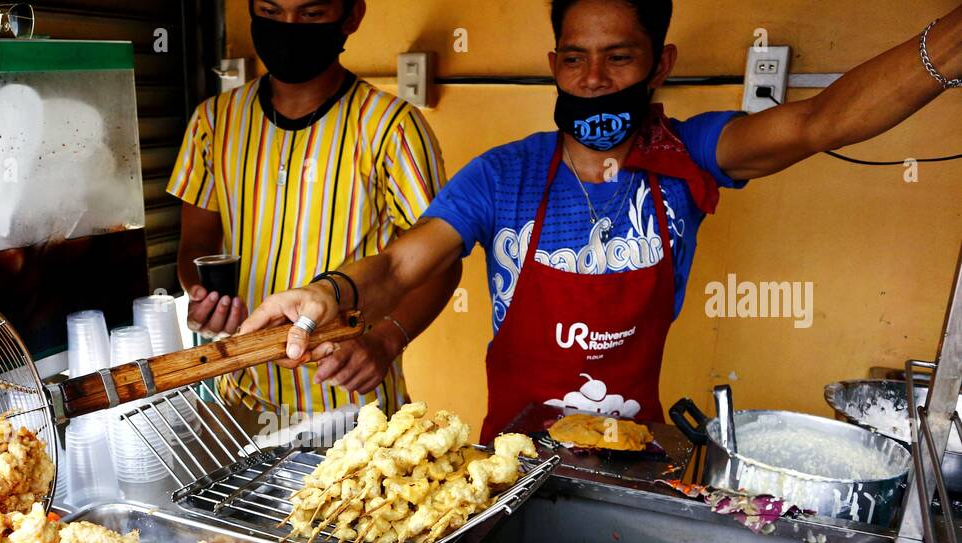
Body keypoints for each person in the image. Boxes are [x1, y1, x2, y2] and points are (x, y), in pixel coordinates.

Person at [240, 0, 962, 442]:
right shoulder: (504, 175)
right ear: (554, 63)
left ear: (660, 63)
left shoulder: (692, 154)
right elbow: (400, 264)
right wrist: (331, 293)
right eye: (577, 59)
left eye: (619, 58)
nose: (593, 80)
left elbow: (819, 120)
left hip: (633, 456)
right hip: (513, 464)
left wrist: (952, 40)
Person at [168, 0, 460, 432]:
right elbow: (196, 243)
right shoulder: (213, 122)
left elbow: (441, 262)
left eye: (310, 14)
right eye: (270, 12)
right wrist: (201, 296)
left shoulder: (391, 126)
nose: (288, 27)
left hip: (353, 409)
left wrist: (386, 340)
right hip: (241, 401)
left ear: (351, 16)